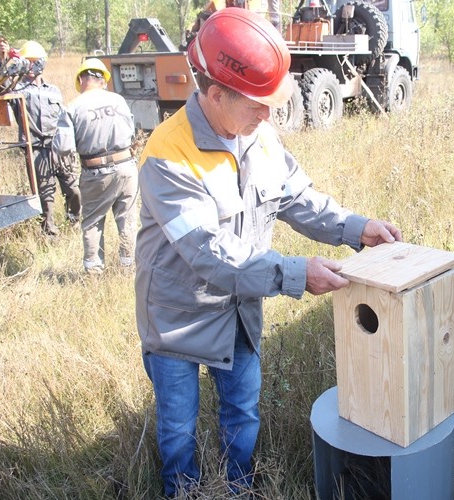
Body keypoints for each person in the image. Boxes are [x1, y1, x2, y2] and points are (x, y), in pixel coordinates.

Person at [135, 7, 402, 497]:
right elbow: (210, 254)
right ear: (215, 94)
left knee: (242, 412)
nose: (269, 113)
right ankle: (184, 491)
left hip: (239, 310)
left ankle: (238, 487)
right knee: (178, 427)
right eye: (258, 105)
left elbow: (298, 198)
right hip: (176, 318)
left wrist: (356, 228)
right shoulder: (167, 154)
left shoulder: (258, 136)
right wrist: (297, 274)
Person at [52, 58, 138, 274]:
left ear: (81, 79)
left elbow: (63, 148)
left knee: (92, 223)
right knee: (127, 220)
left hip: (96, 172)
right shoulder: (118, 100)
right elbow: (131, 130)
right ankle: (128, 270)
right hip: (127, 167)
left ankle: (94, 273)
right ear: (103, 80)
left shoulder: (72, 107)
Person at [14, 40, 81, 237]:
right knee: (45, 194)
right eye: (27, 62)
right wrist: (4, 62)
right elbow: (0, 85)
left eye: (34, 61)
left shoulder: (53, 90)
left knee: (73, 189)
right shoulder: (18, 91)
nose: (31, 66)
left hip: (58, 146)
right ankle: (49, 231)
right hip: (37, 149)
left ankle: (74, 220)